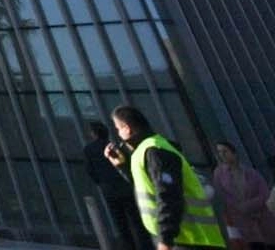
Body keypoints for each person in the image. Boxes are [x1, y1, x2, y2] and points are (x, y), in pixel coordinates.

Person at [103, 105, 225, 249]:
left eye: (118, 129)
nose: (118, 134)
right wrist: (122, 166)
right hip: (186, 238)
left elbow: (168, 195)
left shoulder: (155, 151)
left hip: (191, 239)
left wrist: (165, 239)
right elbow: (148, 188)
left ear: (127, 128)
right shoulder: (146, 151)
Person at [90, 122, 151, 250]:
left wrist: (101, 182)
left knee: (120, 224)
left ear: (93, 134)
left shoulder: (89, 150)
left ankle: (129, 247)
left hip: (109, 190)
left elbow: (91, 171)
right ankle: (145, 246)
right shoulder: (116, 146)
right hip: (125, 187)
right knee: (137, 221)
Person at [210, 142, 275, 250]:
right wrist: (237, 207)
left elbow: (264, 193)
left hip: (261, 219)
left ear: (234, 153)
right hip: (240, 222)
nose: (221, 155)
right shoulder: (219, 173)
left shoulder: (251, 173)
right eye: (219, 152)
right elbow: (220, 194)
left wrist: (248, 206)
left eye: (225, 151)